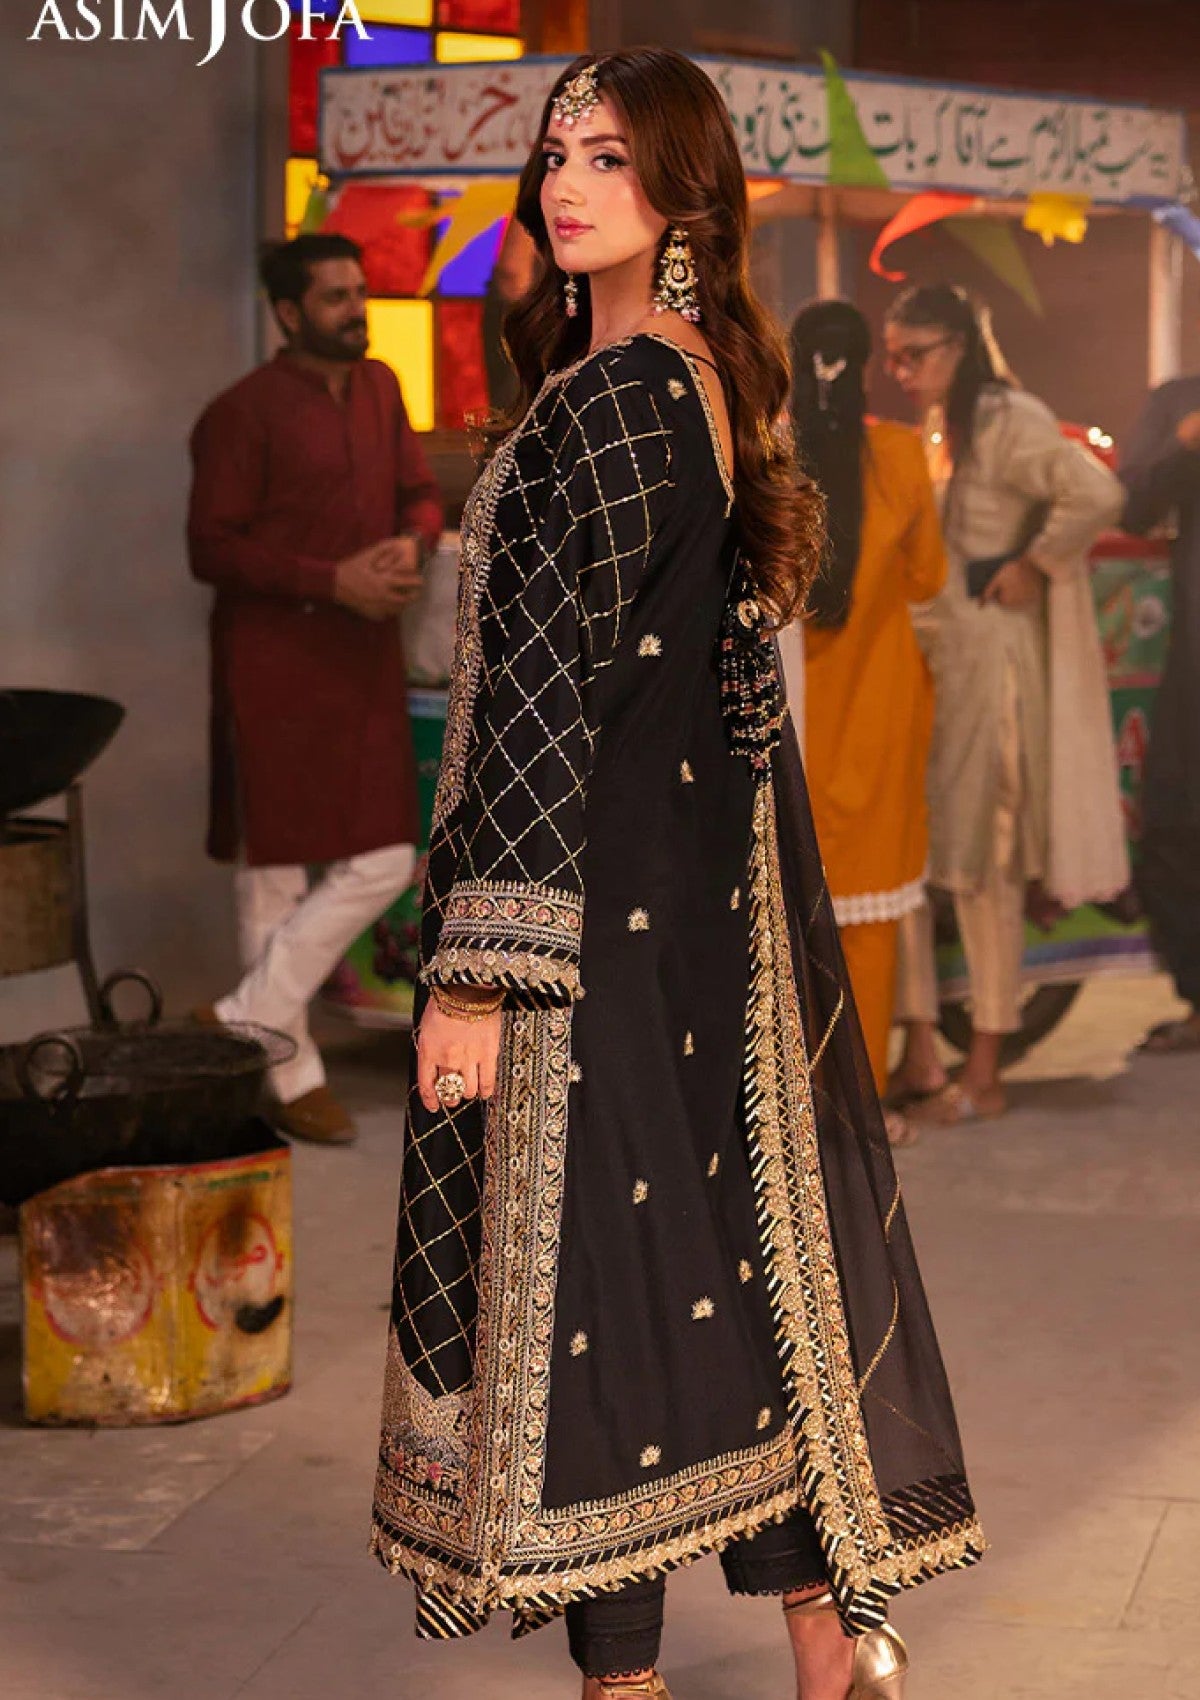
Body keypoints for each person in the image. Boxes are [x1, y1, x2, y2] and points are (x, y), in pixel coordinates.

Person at [370, 52, 983, 1700]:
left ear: (684, 193)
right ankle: (828, 1634)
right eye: (555, 153)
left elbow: (548, 703)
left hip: (580, 923)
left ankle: (626, 1681)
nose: (569, 185)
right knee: (706, 1264)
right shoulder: (700, 381)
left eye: (612, 157)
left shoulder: (613, 399)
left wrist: (479, 975)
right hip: (685, 917)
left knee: (592, 1295)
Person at [188, 234, 443, 1145]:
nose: (355, 308)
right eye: (335, 296)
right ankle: (290, 1074)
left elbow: (420, 492)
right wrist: (331, 579)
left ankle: (248, 1014)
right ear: (289, 312)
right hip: (273, 658)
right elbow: (210, 547)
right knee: (276, 870)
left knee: (384, 854)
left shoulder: (380, 388)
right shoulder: (240, 413)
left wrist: (411, 545)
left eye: (359, 290)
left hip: (361, 654)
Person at [883, 284, 1127, 1125]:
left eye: (914, 355)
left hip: (994, 664)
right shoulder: (941, 425)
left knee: (984, 862)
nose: (901, 372)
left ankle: (984, 1069)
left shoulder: (1008, 417)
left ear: (958, 346)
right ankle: (921, 1052)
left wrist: (1034, 563)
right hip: (940, 661)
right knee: (917, 859)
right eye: (894, 358)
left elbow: (1096, 494)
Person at [783, 301, 945, 1145]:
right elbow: (928, 578)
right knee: (869, 929)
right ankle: (860, 1111)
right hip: (881, 717)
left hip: (788, 721)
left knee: (780, 920)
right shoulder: (903, 457)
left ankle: (786, 1109)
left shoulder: (767, 459)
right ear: (869, 368)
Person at [1120, 370, 1200, 1052]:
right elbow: (1132, 508)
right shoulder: (1181, 402)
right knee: (1176, 825)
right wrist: (1186, 443)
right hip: (1195, 663)